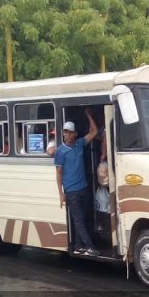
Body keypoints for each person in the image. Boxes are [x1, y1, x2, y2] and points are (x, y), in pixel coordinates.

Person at [54, 108, 99, 256]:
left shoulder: (79, 144)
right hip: (71, 191)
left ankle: (79, 245)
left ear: (75, 134)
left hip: (83, 188)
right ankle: (90, 246)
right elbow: (59, 173)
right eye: (65, 132)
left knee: (83, 218)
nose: (67, 134)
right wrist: (61, 194)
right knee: (79, 220)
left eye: (69, 132)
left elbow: (94, 132)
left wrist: (88, 115)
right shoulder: (60, 151)